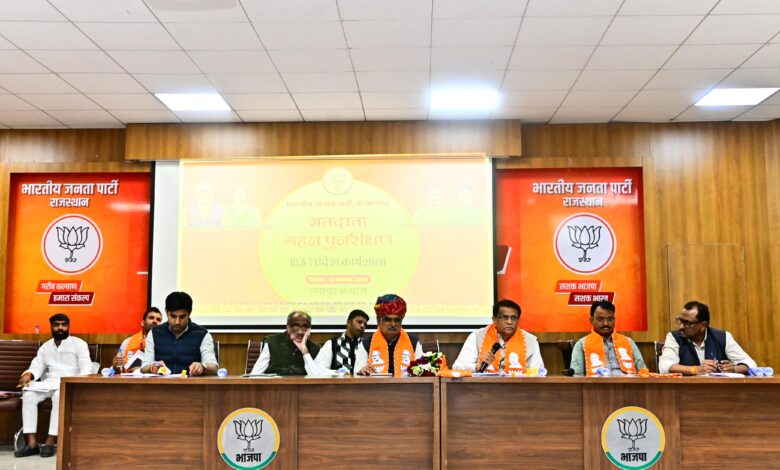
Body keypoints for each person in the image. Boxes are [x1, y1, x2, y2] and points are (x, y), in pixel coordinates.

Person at [15, 314, 92, 458]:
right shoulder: (45, 347)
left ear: (68, 326)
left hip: (69, 383)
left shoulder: (79, 344)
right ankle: (32, 444)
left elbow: (86, 369)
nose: (60, 328)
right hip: (49, 383)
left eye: (64, 325)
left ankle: (50, 442)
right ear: (51, 327)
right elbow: (37, 366)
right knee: (28, 394)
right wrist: (28, 375)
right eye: (57, 325)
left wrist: (77, 384)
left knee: (59, 396)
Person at [659, 300, 756, 375]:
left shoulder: (722, 337)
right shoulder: (674, 337)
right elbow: (664, 366)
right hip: (685, 391)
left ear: (703, 326)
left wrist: (734, 369)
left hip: (718, 390)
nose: (681, 326)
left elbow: (751, 364)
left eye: (687, 323)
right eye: (680, 320)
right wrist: (695, 369)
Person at [452, 299, 544, 373]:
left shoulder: (530, 341)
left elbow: (539, 371)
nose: (509, 322)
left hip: (518, 388)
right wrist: (477, 366)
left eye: (513, 318)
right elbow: (457, 367)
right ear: (494, 320)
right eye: (505, 317)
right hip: (484, 388)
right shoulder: (477, 336)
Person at [140, 292, 219, 376]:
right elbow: (144, 367)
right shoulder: (154, 333)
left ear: (189, 313)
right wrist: (152, 367)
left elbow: (214, 368)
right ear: (166, 311)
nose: (177, 322)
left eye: (182, 317)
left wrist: (202, 366)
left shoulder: (202, 334)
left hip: (191, 383)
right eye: (173, 316)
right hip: (161, 382)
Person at [570, 300, 646, 376]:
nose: (605, 323)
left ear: (614, 320)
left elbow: (643, 371)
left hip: (628, 382)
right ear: (591, 320)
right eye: (600, 319)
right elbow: (577, 376)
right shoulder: (581, 344)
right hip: (596, 383)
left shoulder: (628, 342)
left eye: (610, 319)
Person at [355, 294, 424, 376]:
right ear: (378, 320)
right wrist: (363, 371)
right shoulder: (366, 343)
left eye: (397, 320)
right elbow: (357, 374)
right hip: (375, 384)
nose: (393, 324)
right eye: (388, 319)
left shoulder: (413, 342)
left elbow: (422, 372)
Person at [250, 311, 322, 375]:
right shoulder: (272, 342)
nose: (300, 332)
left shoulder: (315, 348)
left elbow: (317, 378)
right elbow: (255, 375)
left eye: (304, 326)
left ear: (309, 330)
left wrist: (305, 352)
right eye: (296, 326)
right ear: (288, 328)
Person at [313, 309, 369, 374]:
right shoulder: (331, 344)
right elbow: (317, 369)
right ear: (348, 323)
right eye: (359, 322)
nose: (362, 326)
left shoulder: (367, 345)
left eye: (365, 324)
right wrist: (338, 373)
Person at [113, 307, 162, 372]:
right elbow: (119, 370)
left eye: (158, 319)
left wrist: (141, 369)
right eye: (151, 318)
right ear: (142, 323)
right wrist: (116, 366)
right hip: (129, 377)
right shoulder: (127, 342)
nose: (155, 321)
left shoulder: (164, 343)